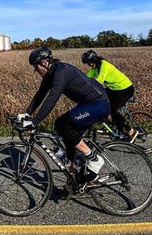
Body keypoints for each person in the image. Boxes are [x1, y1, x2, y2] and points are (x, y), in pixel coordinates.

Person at [19, 46, 110, 181]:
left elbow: (52, 98)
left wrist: (34, 121)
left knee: (62, 124)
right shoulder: (49, 74)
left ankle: (94, 160)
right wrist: (26, 114)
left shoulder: (61, 71)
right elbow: (40, 95)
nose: (35, 70)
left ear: (44, 62)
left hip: (98, 103)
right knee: (68, 137)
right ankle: (77, 179)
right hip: (88, 104)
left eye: (36, 66)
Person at [81, 49, 137, 142]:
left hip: (124, 89)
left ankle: (131, 131)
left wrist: (89, 91)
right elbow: (87, 79)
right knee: (102, 101)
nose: (89, 65)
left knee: (113, 111)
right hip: (114, 89)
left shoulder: (104, 65)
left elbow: (99, 82)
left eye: (89, 62)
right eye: (87, 63)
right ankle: (112, 123)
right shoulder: (95, 68)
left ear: (94, 60)